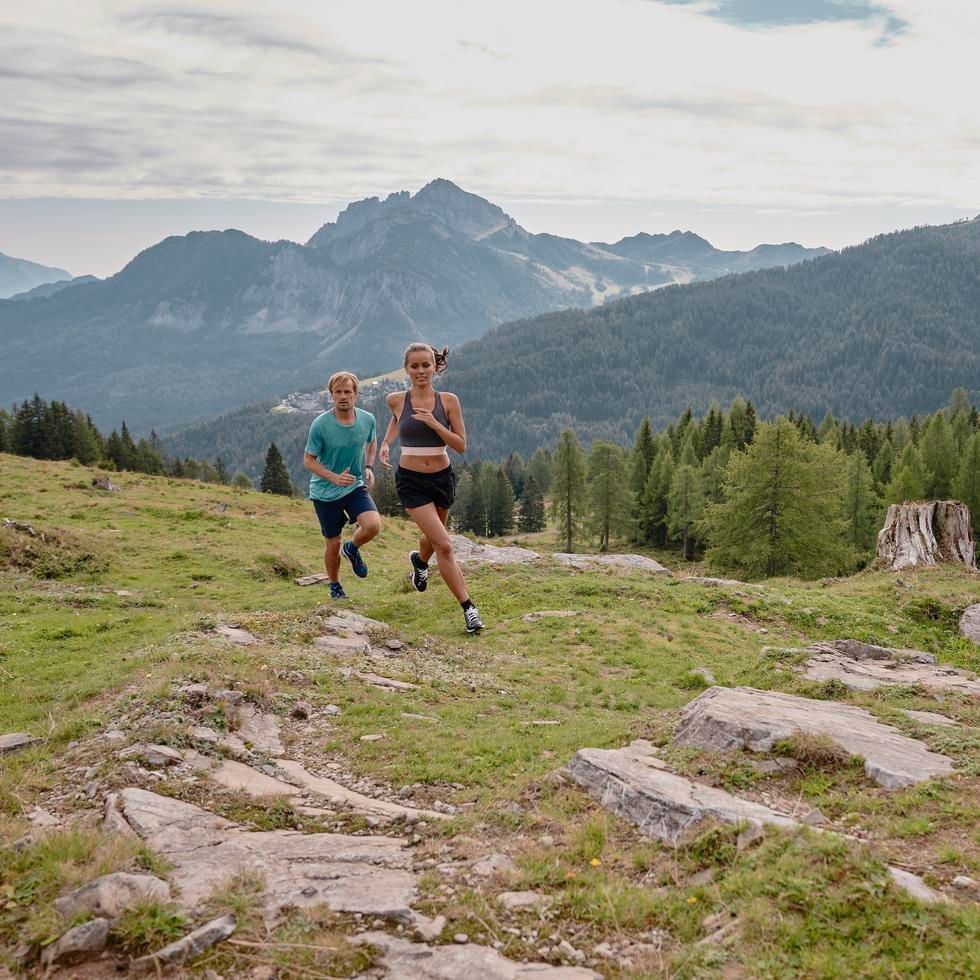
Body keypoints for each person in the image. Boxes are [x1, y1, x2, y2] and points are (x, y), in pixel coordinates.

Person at [380, 343, 485, 633]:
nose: (421, 371)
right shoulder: (396, 399)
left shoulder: (448, 401)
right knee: (445, 545)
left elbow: (461, 446)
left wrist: (435, 425)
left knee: (433, 536)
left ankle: (419, 561)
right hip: (411, 482)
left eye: (426, 365)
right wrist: (387, 443)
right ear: (407, 369)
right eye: (415, 366)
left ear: (434, 367)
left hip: (441, 478)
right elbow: (395, 419)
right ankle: (469, 609)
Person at [303, 371, 380, 600]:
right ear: (331, 395)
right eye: (338, 392)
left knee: (372, 525)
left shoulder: (367, 419)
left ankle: (353, 548)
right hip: (325, 492)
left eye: (348, 392)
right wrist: (333, 477)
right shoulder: (321, 425)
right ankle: (335, 586)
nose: (343, 396)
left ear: (356, 394)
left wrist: (368, 466)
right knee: (332, 543)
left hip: (354, 486)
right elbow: (308, 461)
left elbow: (372, 441)